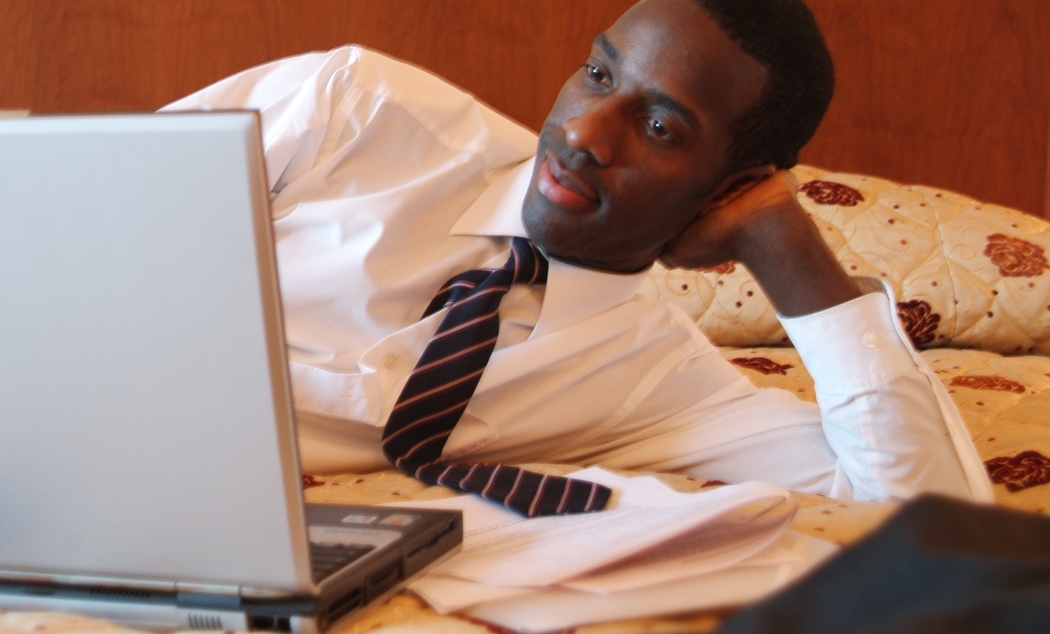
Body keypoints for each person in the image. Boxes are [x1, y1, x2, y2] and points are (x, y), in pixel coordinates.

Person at [164, 0, 991, 502]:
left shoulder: (658, 383)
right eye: (599, 74)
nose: (582, 134)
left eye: (660, 126)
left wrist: (782, 240)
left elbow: (928, 513)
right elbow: (63, 216)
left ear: (730, 184)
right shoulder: (355, 110)